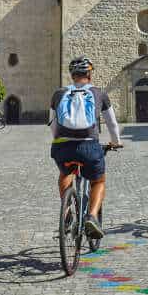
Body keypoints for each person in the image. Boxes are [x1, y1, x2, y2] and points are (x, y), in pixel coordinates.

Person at [49, 57, 123, 240]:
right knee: (98, 181)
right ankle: (91, 217)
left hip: (62, 147)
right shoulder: (99, 93)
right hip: (89, 146)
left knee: (65, 173)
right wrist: (116, 142)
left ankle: (66, 214)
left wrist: (60, 139)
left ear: (72, 75)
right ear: (89, 74)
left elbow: (52, 123)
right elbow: (112, 124)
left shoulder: (59, 93)